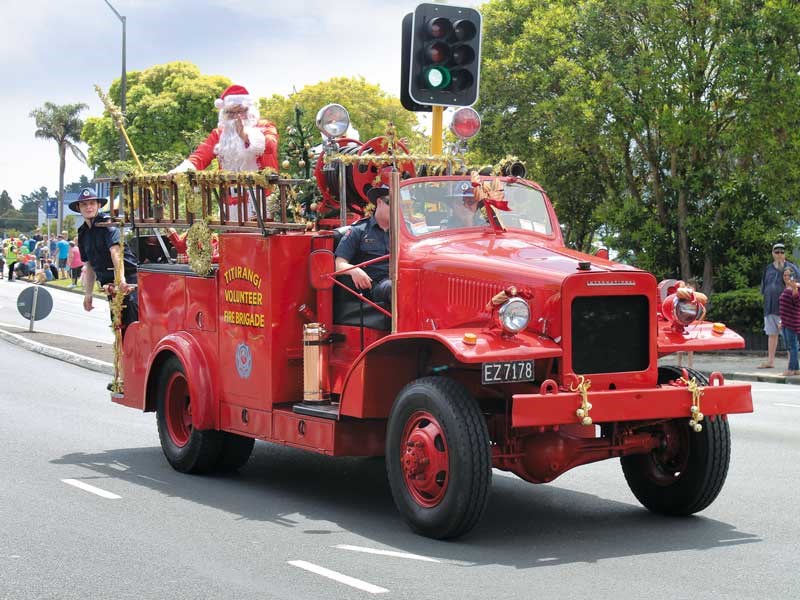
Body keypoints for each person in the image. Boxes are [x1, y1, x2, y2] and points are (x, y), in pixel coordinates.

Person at [169, 84, 279, 221]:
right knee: (232, 238)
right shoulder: (219, 134)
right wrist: (180, 171)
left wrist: (245, 136)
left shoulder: (265, 127)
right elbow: (200, 156)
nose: (237, 117)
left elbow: (270, 146)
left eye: (241, 111)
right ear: (224, 115)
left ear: (250, 110)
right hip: (232, 201)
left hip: (263, 198)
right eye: (231, 113)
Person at [73, 188, 139, 337]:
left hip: (129, 279)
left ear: (98, 206)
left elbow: (116, 252)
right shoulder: (82, 232)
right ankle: (122, 358)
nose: (88, 207)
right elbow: (89, 265)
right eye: (84, 205)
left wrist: (121, 279)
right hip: (110, 285)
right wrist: (88, 294)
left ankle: (131, 358)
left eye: (92, 203)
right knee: (118, 325)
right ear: (79, 208)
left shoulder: (107, 224)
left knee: (132, 324)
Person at [334, 184, 392, 308]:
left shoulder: (405, 231)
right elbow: (338, 264)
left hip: (403, 278)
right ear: (379, 202)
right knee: (396, 288)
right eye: (391, 203)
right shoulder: (359, 230)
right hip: (376, 286)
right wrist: (354, 270)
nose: (396, 209)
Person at [759, 243, 800, 368]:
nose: (779, 254)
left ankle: (792, 364)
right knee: (772, 335)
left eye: (782, 252)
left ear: (785, 254)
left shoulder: (791, 268)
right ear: (772, 253)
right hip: (770, 306)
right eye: (777, 252)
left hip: (786, 309)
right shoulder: (768, 268)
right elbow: (764, 286)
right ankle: (770, 362)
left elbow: (797, 286)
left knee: (789, 338)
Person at [778, 267, 800, 376]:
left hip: (792, 322)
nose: (786, 277)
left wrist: (794, 288)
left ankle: (791, 369)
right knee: (791, 346)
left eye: (788, 275)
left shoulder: (796, 287)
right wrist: (781, 322)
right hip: (786, 322)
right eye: (784, 275)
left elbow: (796, 301)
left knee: (793, 346)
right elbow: (785, 307)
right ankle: (796, 369)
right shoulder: (786, 288)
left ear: (793, 276)